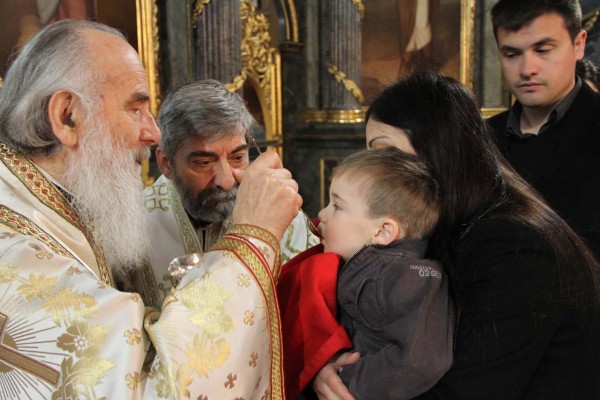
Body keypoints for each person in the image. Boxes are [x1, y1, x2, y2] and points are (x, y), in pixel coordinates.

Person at [0, 19, 302, 399]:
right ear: (67, 116)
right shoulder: (16, 256)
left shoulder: (44, 210)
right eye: (136, 108)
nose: (153, 132)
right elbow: (150, 386)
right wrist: (252, 239)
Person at [313, 72, 600, 399]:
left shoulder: (515, 245)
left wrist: (350, 381)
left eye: (386, 155)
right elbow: (379, 325)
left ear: (439, 149)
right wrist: (330, 364)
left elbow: (465, 389)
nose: (375, 171)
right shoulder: (440, 221)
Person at [119, 80, 319, 309]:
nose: (226, 181)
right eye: (204, 163)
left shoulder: (281, 212)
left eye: (237, 158)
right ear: (166, 163)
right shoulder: (133, 226)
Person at [277, 147, 453, 400]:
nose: (323, 215)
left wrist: (347, 381)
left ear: (382, 231)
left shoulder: (410, 279)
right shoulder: (364, 266)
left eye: (337, 206)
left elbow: (421, 359)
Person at [487, 0, 600, 260]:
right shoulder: (480, 138)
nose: (527, 70)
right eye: (512, 54)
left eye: (543, 50)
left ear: (579, 44)